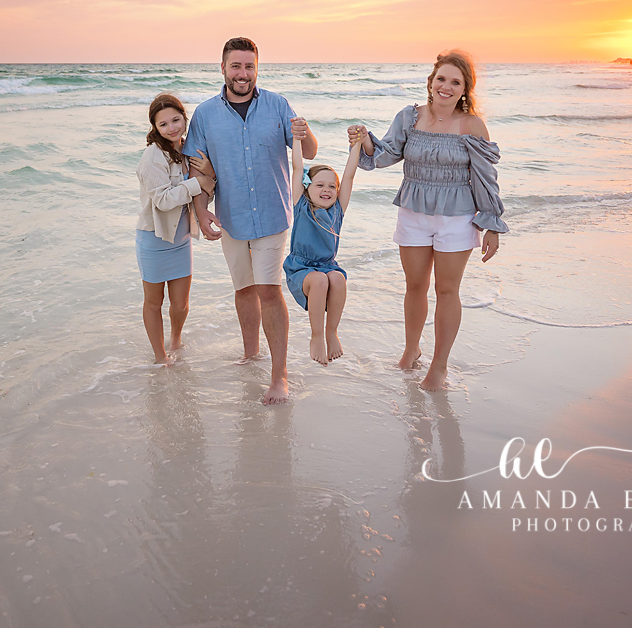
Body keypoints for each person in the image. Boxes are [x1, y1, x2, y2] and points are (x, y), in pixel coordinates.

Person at [347, 50, 507, 389]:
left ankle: (439, 366)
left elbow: (485, 177)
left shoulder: (472, 125)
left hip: (457, 218)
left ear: (465, 89)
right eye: (441, 79)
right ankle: (411, 350)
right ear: (430, 82)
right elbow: (385, 154)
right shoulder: (410, 117)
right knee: (414, 287)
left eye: (455, 82)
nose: (446, 87)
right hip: (413, 212)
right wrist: (364, 139)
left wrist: (492, 223)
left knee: (447, 290)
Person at [184, 37, 318, 404]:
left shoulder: (277, 105)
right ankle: (250, 353)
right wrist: (200, 211)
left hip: (274, 214)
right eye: (236, 66)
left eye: (249, 66)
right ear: (223, 68)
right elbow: (195, 168)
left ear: (257, 68)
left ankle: (280, 376)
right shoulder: (205, 114)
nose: (243, 74)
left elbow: (306, 151)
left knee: (269, 291)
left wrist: (307, 135)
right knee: (243, 289)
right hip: (231, 216)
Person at [136, 93, 215, 364]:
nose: (172, 128)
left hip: (181, 238)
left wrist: (208, 174)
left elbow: (209, 187)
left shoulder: (189, 150)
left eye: (176, 120)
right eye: (164, 124)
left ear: (184, 118)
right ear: (155, 128)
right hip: (154, 239)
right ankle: (160, 357)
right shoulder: (152, 157)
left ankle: (176, 340)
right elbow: (163, 200)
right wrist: (198, 183)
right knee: (154, 302)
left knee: (180, 304)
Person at [284, 137, 362, 366]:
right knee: (319, 281)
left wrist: (357, 143)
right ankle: (316, 336)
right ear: (307, 188)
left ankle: (331, 332)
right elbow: (297, 167)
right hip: (301, 269)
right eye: (319, 185)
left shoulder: (338, 209)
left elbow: (349, 175)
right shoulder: (301, 204)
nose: (326, 190)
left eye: (331, 186)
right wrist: (296, 138)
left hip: (329, 266)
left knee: (337, 279)